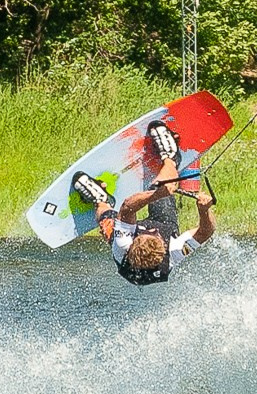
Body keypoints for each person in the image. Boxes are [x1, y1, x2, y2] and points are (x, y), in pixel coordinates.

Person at [71, 119, 215, 286]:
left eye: (148, 232)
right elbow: (205, 232)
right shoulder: (174, 250)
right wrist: (204, 210)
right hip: (164, 226)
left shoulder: (123, 245)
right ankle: (171, 158)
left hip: (128, 258)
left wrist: (154, 195)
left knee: (109, 221)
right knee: (162, 187)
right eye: (153, 233)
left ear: (133, 242)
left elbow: (127, 208)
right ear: (162, 243)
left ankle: (100, 200)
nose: (152, 229)